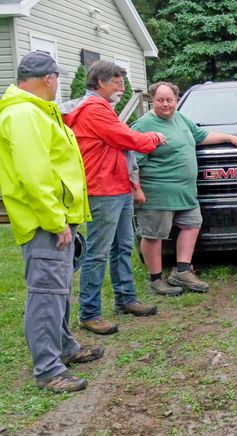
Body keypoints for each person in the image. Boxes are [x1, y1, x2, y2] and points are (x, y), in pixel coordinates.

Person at [0, 51, 103, 392]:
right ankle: (48, 369)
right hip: (46, 222)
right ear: (50, 78)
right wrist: (55, 219)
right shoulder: (25, 115)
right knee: (46, 294)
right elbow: (34, 175)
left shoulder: (36, 112)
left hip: (56, 217)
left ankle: (65, 348)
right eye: (58, 77)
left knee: (58, 291)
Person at [61, 60, 164, 335]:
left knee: (123, 246)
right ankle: (89, 313)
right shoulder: (94, 109)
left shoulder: (104, 108)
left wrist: (132, 183)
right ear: (102, 83)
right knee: (98, 252)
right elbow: (127, 139)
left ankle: (125, 298)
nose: (122, 87)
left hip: (119, 187)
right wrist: (153, 137)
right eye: (117, 82)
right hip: (102, 189)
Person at [132, 82, 237, 293]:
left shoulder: (179, 119)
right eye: (161, 100)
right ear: (153, 100)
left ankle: (182, 272)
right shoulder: (143, 126)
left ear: (176, 100)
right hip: (157, 193)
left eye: (170, 100)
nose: (166, 105)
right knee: (153, 234)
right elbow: (132, 163)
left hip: (185, 192)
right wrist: (137, 190)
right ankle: (156, 280)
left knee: (192, 224)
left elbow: (200, 136)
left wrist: (228, 137)